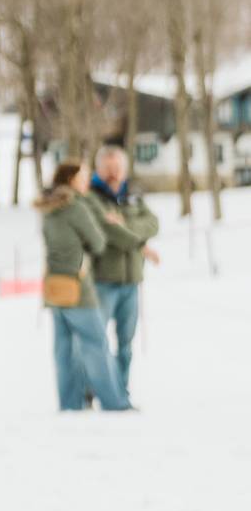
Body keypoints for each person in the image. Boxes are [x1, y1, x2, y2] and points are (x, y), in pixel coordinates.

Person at [36, 162, 130, 412]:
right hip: (77, 285)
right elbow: (98, 242)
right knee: (96, 344)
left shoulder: (47, 208)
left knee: (64, 350)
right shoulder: (75, 207)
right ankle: (115, 403)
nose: (87, 181)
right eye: (83, 177)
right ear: (71, 180)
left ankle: (70, 404)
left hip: (54, 285)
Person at [85, 145, 160, 404]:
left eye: (117, 167)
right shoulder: (92, 197)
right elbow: (107, 233)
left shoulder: (133, 195)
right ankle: (92, 390)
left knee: (125, 345)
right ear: (99, 169)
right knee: (97, 340)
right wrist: (140, 242)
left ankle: (121, 391)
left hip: (131, 280)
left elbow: (153, 223)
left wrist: (126, 226)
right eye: (108, 168)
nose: (113, 173)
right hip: (103, 280)